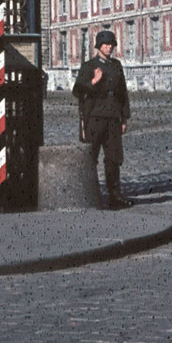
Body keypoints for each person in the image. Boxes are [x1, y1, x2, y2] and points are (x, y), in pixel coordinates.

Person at [72, 30, 133, 210]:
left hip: (113, 117)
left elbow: (123, 93)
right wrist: (94, 81)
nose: (109, 48)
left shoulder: (116, 65)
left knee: (114, 158)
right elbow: (77, 91)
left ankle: (115, 197)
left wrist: (124, 118)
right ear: (98, 46)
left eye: (111, 45)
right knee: (90, 158)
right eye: (106, 45)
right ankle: (89, 196)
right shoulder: (89, 66)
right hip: (94, 118)